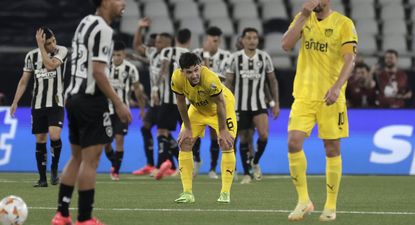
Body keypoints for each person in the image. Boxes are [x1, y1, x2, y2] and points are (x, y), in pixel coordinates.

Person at [51, 0, 131, 224]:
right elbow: (97, 72)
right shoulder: (104, 30)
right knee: (91, 161)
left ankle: (62, 213)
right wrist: (118, 103)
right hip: (91, 101)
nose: (123, 3)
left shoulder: (85, 22)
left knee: (76, 157)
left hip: (74, 97)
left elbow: (79, 64)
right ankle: (85, 218)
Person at [281, 0, 358, 221]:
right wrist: (303, 16)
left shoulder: (344, 23)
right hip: (304, 95)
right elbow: (286, 45)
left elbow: (350, 58)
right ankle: (303, 201)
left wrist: (336, 87)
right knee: (293, 143)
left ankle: (331, 206)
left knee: (331, 148)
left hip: (330, 98)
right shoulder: (303, 18)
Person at [171, 52, 236, 203]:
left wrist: (223, 130)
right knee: (185, 142)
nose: (194, 75)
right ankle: (187, 193)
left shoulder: (210, 79)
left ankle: (225, 194)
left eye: (196, 69)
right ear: (182, 72)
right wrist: (187, 127)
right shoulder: (177, 78)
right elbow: (180, 102)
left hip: (222, 107)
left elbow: (220, 103)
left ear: (200, 66)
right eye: (189, 72)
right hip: (198, 109)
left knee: (226, 143)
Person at [10, 26, 68, 187]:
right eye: (48, 43)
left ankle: (54, 170)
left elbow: (50, 66)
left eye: (53, 40)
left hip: (55, 102)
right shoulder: (31, 56)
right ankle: (42, 178)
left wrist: (43, 47)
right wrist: (15, 102)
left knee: (55, 135)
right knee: (40, 139)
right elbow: (23, 81)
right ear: (41, 42)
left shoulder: (61, 51)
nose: (53, 45)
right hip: (38, 104)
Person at [225, 27, 280, 184]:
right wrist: (226, 102)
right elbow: (229, 81)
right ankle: (247, 173)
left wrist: (275, 103)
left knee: (263, 135)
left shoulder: (264, 57)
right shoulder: (235, 58)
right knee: (245, 138)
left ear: (258, 40)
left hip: (259, 104)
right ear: (242, 40)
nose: (252, 40)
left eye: (254, 38)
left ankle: (255, 162)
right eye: (248, 37)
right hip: (239, 105)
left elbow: (272, 81)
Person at [131, 17, 174, 176]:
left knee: (163, 132)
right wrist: (140, 28)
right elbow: (136, 46)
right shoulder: (153, 54)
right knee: (145, 128)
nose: (156, 45)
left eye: (160, 42)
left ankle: (163, 165)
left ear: (168, 44)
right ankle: (152, 164)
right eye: (156, 42)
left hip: (168, 100)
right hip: (155, 102)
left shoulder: (172, 56)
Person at [192, 26, 232, 179]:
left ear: (219, 41)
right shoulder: (196, 55)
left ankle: (213, 169)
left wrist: (207, 62)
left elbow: (221, 79)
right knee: (195, 133)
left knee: (215, 134)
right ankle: (196, 161)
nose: (213, 43)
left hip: (216, 101)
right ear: (205, 40)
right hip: (198, 100)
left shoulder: (226, 56)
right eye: (210, 40)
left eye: (216, 41)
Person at [152, 28, 192, 180]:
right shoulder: (193, 55)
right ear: (189, 40)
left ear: (176, 38)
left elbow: (162, 71)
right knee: (187, 135)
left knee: (162, 132)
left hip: (169, 100)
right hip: (186, 102)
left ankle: (159, 166)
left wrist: (155, 89)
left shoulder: (167, 52)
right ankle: (186, 168)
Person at [103, 41, 145, 181]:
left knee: (119, 139)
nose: (116, 58)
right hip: (106, 110)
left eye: (119, 55)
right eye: (114, 55)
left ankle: (115, 170)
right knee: (106, 143)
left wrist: (142, 108)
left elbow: (138, 90)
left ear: (124, 55)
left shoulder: (131, 69)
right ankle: (115, 162)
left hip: (123, 110)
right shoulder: (105, 67)